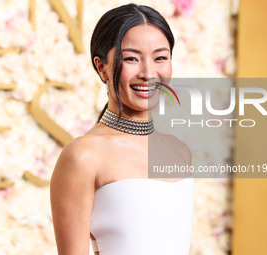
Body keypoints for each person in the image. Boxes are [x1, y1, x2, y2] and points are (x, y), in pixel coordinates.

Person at [50, 3, 195, 255]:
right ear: (102, 67)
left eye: (160, 57)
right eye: (131, 58)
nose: (148, 73)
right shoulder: (83, 156)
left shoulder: (180, 151)